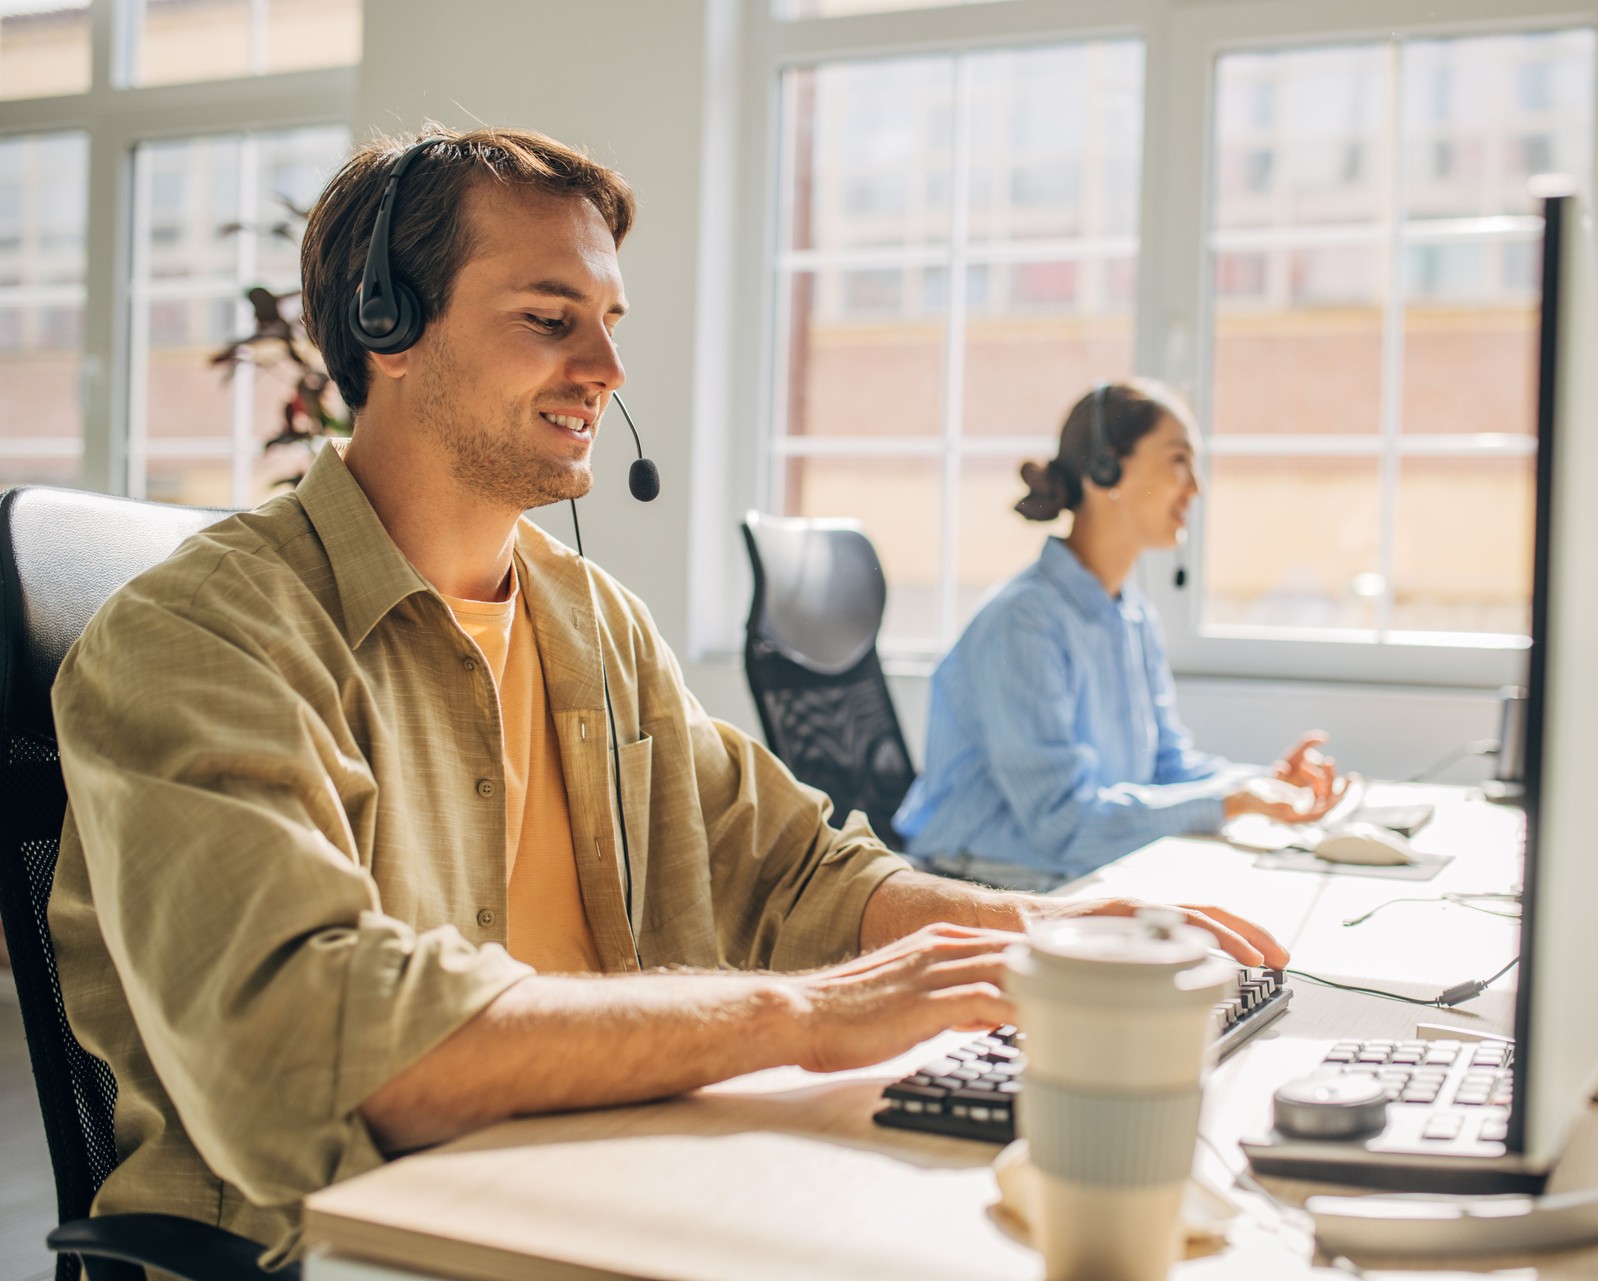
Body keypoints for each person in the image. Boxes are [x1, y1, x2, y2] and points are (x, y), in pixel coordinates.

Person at [46, 128, 1287, 1266]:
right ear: (389, 325)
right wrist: (799, 1014)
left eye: (608, 319)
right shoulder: (201, 638)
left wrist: (1042, 940)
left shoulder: (595, 624)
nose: (606, 366)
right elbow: (314, 1044)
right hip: (362, 1244)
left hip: (621, 1182)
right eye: (549, 318)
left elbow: (798, 875)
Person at [893, 378, 1350, 890]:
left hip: (1069, 870)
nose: (1195, 487)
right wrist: (1227, 801)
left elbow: (1166, 766)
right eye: (1178, 460)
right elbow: (1061, 825)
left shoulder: (1130, 614)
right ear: (1105, 469)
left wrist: (1257, 784)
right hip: (977, 885)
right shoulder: (1024, 622)